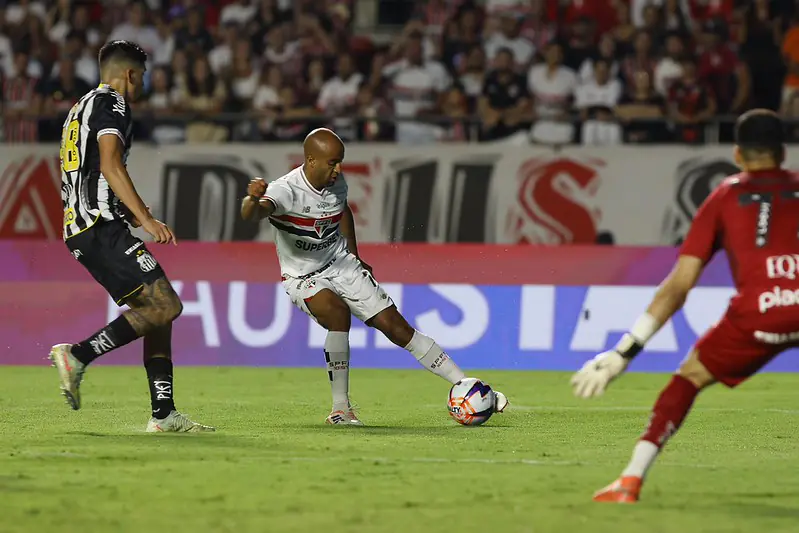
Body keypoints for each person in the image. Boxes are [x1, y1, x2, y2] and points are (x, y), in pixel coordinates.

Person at [570, 109, 797, 502]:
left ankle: (630, 480)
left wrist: (624, 353)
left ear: (737, 153)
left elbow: (679, 286)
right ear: (784, 153)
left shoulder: (724, 196)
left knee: (689, 377)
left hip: (760, 314)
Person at [241, 128, 509, 425]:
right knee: (337, 314)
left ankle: (469, 386)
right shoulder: (286, 191)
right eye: (332, 162)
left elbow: (342, 211)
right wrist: (252, 199)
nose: (338, 169)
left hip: (342, 264)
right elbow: (252, 214)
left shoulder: (336, 183)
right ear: (311, 160)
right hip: (302, 275)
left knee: (397, 328)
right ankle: (341, 409)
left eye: (340, 161)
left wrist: (354, 255)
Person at [49, 40, 213, 433]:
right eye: (143, 77)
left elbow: (87, 168)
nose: (143, 85)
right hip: (98, 226)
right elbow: (109, 164)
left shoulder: (80, 107)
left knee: (157, 313)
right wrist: (146, 218)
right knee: (166, 305)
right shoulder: (113, 103)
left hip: (85, 226)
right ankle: (78, 355)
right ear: (130, 74)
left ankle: (164, 414)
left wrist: (125, 210)